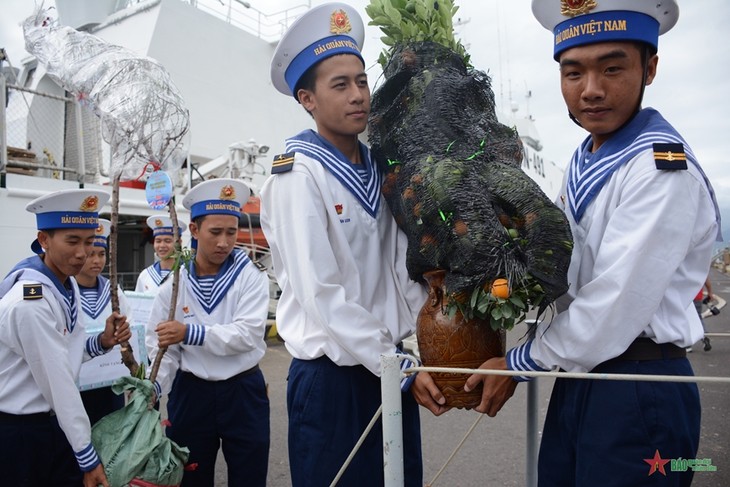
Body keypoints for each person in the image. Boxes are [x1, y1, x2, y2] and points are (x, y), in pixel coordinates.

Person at [464, 1, 722, 485]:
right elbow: (567, 272)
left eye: (612, 68)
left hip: (638, 388)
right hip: (582, 376)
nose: (592, 90)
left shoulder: (659, 168)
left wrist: (517, 363)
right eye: (573, 72)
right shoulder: (587, 157)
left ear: (650, 68)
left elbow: (612, 303)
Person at [262, 3, 448, 486]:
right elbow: (322, 294)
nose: (358, 95)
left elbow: (399, 269)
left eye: (361, 81)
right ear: (307, 98)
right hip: (333, 380)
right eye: (339, 85)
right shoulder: (298, 175)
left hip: (388, 366)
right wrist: (400, 363)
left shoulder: (379, 168)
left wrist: (437, 332)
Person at [0, 189, 131, 487]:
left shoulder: (64, 283)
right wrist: (87, 455)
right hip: (23, 432)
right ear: (43, 240)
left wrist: (101, 343)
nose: (82, 253)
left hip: (51, 424)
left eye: (89, 242)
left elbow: (63, 350)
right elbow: (58, 380)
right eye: (72, 241)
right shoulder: (30, 301)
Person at [145, 178, 270, 487]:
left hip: (242, 390)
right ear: (194, 230)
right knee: (190, 478)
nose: (224, 243)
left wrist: (189, 332)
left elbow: (248, 335)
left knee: (249, 475)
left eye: (231, 232)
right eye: (215, 232)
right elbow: (162, 347)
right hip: (192, 393)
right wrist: (153, 388)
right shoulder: (173, 287)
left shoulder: (250, 277)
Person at [76, 218, 130, 424]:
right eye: (91, 255)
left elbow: (129, 329)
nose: (97, 261)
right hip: (77, 383)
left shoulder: (114, 291)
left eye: (101, 254)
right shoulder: (64, 291)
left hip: (111, 383)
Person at [135, 214, 187, 295]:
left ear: (179, 242)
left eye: (167, 241)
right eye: (158, 241)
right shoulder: (145, 275)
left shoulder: (187, 273)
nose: (162, 246)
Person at [690, 277, 713, 352]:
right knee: (698, 317)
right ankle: (704, 336)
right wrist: (710, 293)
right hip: (697, 296)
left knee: (686, 319)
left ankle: (687, 345)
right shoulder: (699, 266)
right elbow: (706, 280)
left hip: (686, 297)